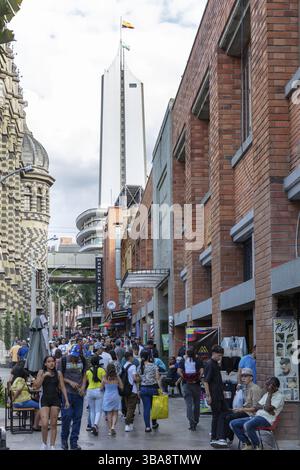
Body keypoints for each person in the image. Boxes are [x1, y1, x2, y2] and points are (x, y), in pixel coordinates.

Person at [211, 368, 263, 448]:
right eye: (242, 376)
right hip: (244, 411)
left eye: (246, 376)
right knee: (223, 414)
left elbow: (255, 408)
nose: (243, 378)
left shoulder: (255, 389)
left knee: (229, 417)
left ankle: (226, 438)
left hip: (251, 414)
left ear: (251, 378)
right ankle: (223, 439)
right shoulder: (245, 388)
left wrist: (241, 409)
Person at [230, 377, 285, 450]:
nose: (266, 387)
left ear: (274, 386)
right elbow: (256, 407)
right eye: (266, 384)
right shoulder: (266, 394)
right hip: (256, 417)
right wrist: (264, 407)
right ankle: (247, 443)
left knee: (247, 425)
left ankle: (257, 445)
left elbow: (268, 408)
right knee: (233, 423)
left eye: (268, 385)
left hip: (266, 419)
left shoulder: (279, 396)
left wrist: (270, 395)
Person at [33, 356, 70, 450]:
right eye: (49, 362)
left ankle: (52, 445)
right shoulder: (41, 372)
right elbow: (36, 386)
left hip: (55, 400)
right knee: (44, 423)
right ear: (45, 363)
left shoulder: (58, 373)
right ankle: (44, 443)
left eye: (53, 361)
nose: (51, 363)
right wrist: (44, 376)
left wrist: (66, 400)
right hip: (45, 399)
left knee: (53, 424)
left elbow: (62, 387)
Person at [58, 345, 87, 450]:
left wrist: (83, 387)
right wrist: (70, 382)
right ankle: (64, 440)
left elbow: (84, 375)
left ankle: (74, 442)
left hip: (79, 395)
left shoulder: (82, 360)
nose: (74, 358)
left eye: (77, 356)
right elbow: (60, 377)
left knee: (77, 419)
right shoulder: (64, 360)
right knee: (67, 417)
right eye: (73, 356)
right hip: (68, 393)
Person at [204, 345, 228, 446]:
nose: (220, 358)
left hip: (219, 394)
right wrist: (208, 396)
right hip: (214, 395)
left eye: (221, 356)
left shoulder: (216, 364)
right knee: (215, 416)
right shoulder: (210, 364)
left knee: (222, 414)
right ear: (213, 354)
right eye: (219, 355)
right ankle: (214, 437)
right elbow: (206, 381)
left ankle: (220, 435)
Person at [178, 349, 204, 431]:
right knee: (196, 404)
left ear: (186, 354)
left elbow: (178, 371)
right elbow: (202, 371)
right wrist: (198, 378)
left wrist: (184, 377)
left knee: (189, 404)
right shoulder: (198, 360)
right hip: (196, 385)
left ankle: (191, 422)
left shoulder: (183, 361)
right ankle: (196, 421)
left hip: (186, 385)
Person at [10, 365, 41, 430]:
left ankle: (34, 423)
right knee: (40, 407)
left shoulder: (15, 380)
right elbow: (18, 390)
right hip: (22, 402)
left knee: (35, 405)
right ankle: (35, 425)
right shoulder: (21, 380)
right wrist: (12, 400)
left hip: (19, 402)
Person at [137, 350, 161, 433]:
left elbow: (138, 379)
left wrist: (138, 390)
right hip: (153, 389)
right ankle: (154, 423)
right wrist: (161, 389)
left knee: (146, 408)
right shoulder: (154, 366)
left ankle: (147, 427)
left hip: (143, 389)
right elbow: (158, 378)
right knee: (154, 407)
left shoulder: (139, 367)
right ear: (148, 357)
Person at [86, 355, 106, 437]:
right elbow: (104, 380)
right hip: (98, 391)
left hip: (90, 391)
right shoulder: (102, 370)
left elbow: (88, 381)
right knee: (98, 410)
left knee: (92, 410)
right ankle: (95, 425)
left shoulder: (88, 371)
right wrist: (101, 387)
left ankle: (92, 427)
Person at [102, 363, 123, 436]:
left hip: (107, 396)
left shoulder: (104, 377)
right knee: (115, 412)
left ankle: (110, 429)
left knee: (109, 413)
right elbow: (121, 387)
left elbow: (101, 388)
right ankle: (113, 426)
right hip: (115, 396)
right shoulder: (117, 377)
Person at [122, 351, 138, 432]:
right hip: (132, 389)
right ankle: (127, 425)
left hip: (125, 390)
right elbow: (135, 378)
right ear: (130, 357)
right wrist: (139, 378)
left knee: (128, 407)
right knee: (131, 408)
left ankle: (130, 424)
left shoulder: (124, 366)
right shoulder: (133, 366)